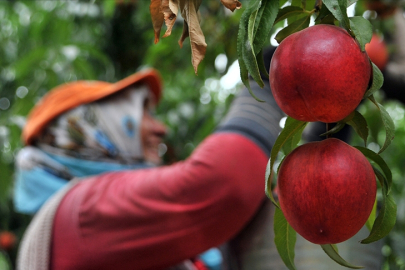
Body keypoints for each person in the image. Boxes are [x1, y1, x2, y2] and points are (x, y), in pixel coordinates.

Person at [14, 66, 285, 270]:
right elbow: (223, 182)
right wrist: (262, 91)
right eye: (141, 113)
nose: (161, 129)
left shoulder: (81, 219)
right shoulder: (80, 213)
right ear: (90, 129)